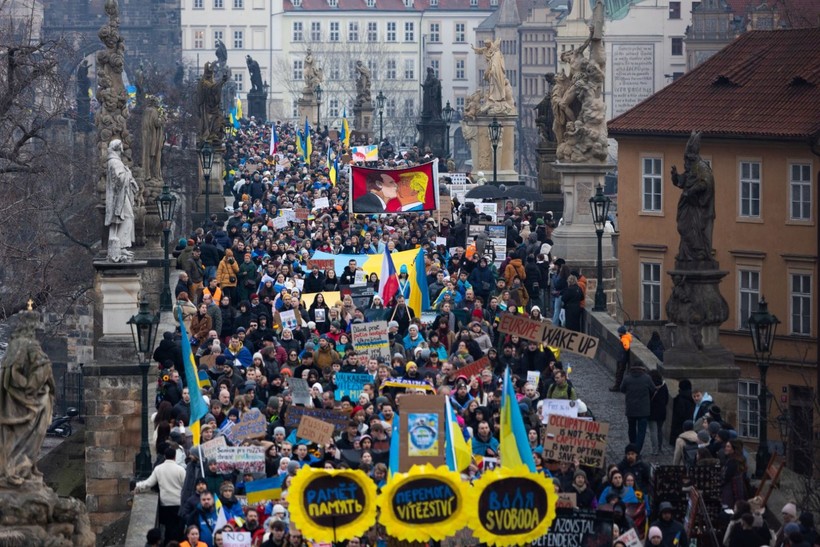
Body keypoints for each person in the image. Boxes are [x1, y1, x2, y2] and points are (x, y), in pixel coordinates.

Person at [0, 308, 56, 488]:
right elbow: (15, 372)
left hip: (19, 399)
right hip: (25, 400)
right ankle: (20, 469)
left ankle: (25, 468)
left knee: (22, 436)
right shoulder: (25, 344)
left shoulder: (18, 345)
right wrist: (31, 387)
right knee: (28, 435)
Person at [135, 447, 187, 542]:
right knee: (179, 528)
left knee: (168, 527)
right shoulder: (180, 470)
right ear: (175, 456)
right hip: (178, 503)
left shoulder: (158, 469)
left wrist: (138, 485)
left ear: (164, 456)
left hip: (166, 503)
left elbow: (149, 483)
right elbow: (185, 486)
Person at [105, 139, 140, 262]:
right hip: (119, 196)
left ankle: (122, 246)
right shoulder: (114, 162)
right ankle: (121, 246)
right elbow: (120, 179)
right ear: (118, 148)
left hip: (121, 195)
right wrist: (128, 174)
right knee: (128, 216)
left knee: (126, 217)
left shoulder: (115, 161)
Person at [619, 364, 655, 453]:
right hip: (643, 410)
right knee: (641, 432)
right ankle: (637, 449)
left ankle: (632, 445)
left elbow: (622, 389)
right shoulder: (647, 378)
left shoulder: (627, 378)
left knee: (631, 429)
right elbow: (653, 389)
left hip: (631, 409)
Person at [648, 369, 669, 456]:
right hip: (662, 411)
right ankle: (660, 447)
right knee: (659, 430)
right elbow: (667, 398)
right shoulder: (664, 386)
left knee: (653, 431)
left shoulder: (650, 386)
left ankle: (655, 450)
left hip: (652, 411)